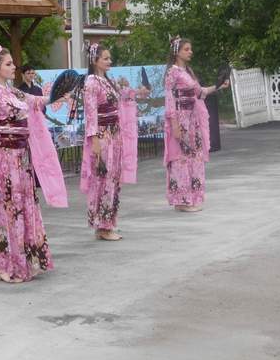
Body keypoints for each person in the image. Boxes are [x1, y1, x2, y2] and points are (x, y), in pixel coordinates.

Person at [0, 43, 68, 283]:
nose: (14, 67)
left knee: (24, 205)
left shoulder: (15, 93)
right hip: (4, 158)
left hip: (22, 158)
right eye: (9, 64)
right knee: (7, 209)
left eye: (13, 63)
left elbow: (36, 102)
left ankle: (25, 259)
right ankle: (6, 264)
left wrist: (56, 95)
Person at [81, 43, 148, 241]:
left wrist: (138, 92)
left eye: (110, 58)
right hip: (103, 136)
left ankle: (108, 223)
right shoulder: (91, 83)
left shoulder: (107, 81)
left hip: (114, 135)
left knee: (113, 179)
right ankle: (102, 225)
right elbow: (91, 113)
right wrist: (94, 140)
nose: (109, 61)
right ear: (95, 61)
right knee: (104, 179)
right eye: (105, 58)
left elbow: (122, 95)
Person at [164, 37, 229, 212]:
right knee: (181, 158)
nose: (190, 52)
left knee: (194, 157)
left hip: (193, 120)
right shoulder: (173, 72)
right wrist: (174, 124)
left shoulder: (188, 72)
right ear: (177, 52)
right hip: (181, 119)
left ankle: (190, 198)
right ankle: (182, 200)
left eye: (190, 49)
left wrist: (219, 86)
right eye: (186, 49)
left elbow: (200, 93)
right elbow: (170, 99)